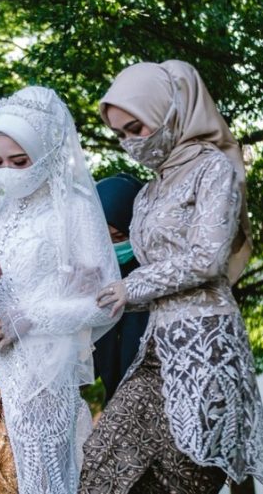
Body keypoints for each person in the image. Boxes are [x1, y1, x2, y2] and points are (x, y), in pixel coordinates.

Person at [78, 60, 263, 493]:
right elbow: (147, 278)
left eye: (137, 127)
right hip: (155, 348)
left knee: (184, 477)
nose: (130, 143)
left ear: (170, 112)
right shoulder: (148, 191)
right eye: (120, 134)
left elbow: (207, 259)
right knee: (101, 463)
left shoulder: (213, 170)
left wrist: (130, 288)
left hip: (205, 348)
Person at [0, 86, 121, 494]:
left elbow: (106, 302)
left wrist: (29, 318)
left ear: (49, 152)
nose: (7, 172)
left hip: (40, 380)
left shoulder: (76, 208)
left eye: (20, 161)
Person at [91, 173, 148, 404]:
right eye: (105, 237)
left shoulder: (157, 270)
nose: (113, 245)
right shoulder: (88, 271)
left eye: (120, 236)